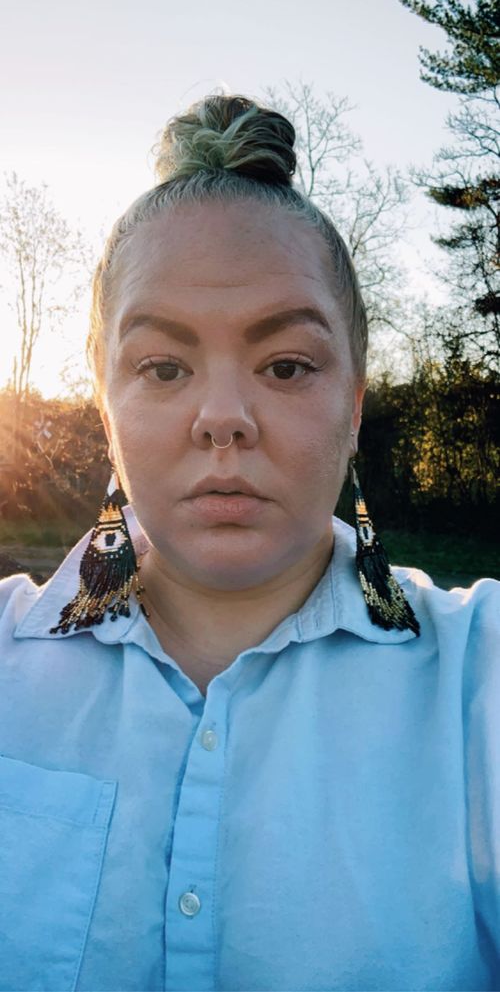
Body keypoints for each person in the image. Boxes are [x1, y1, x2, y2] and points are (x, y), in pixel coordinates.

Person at [0, 94, 498, 992]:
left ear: (352, 406)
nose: (223, 416)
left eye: (286, 365)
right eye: (163, 367)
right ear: (106, 409)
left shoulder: (477, 681)